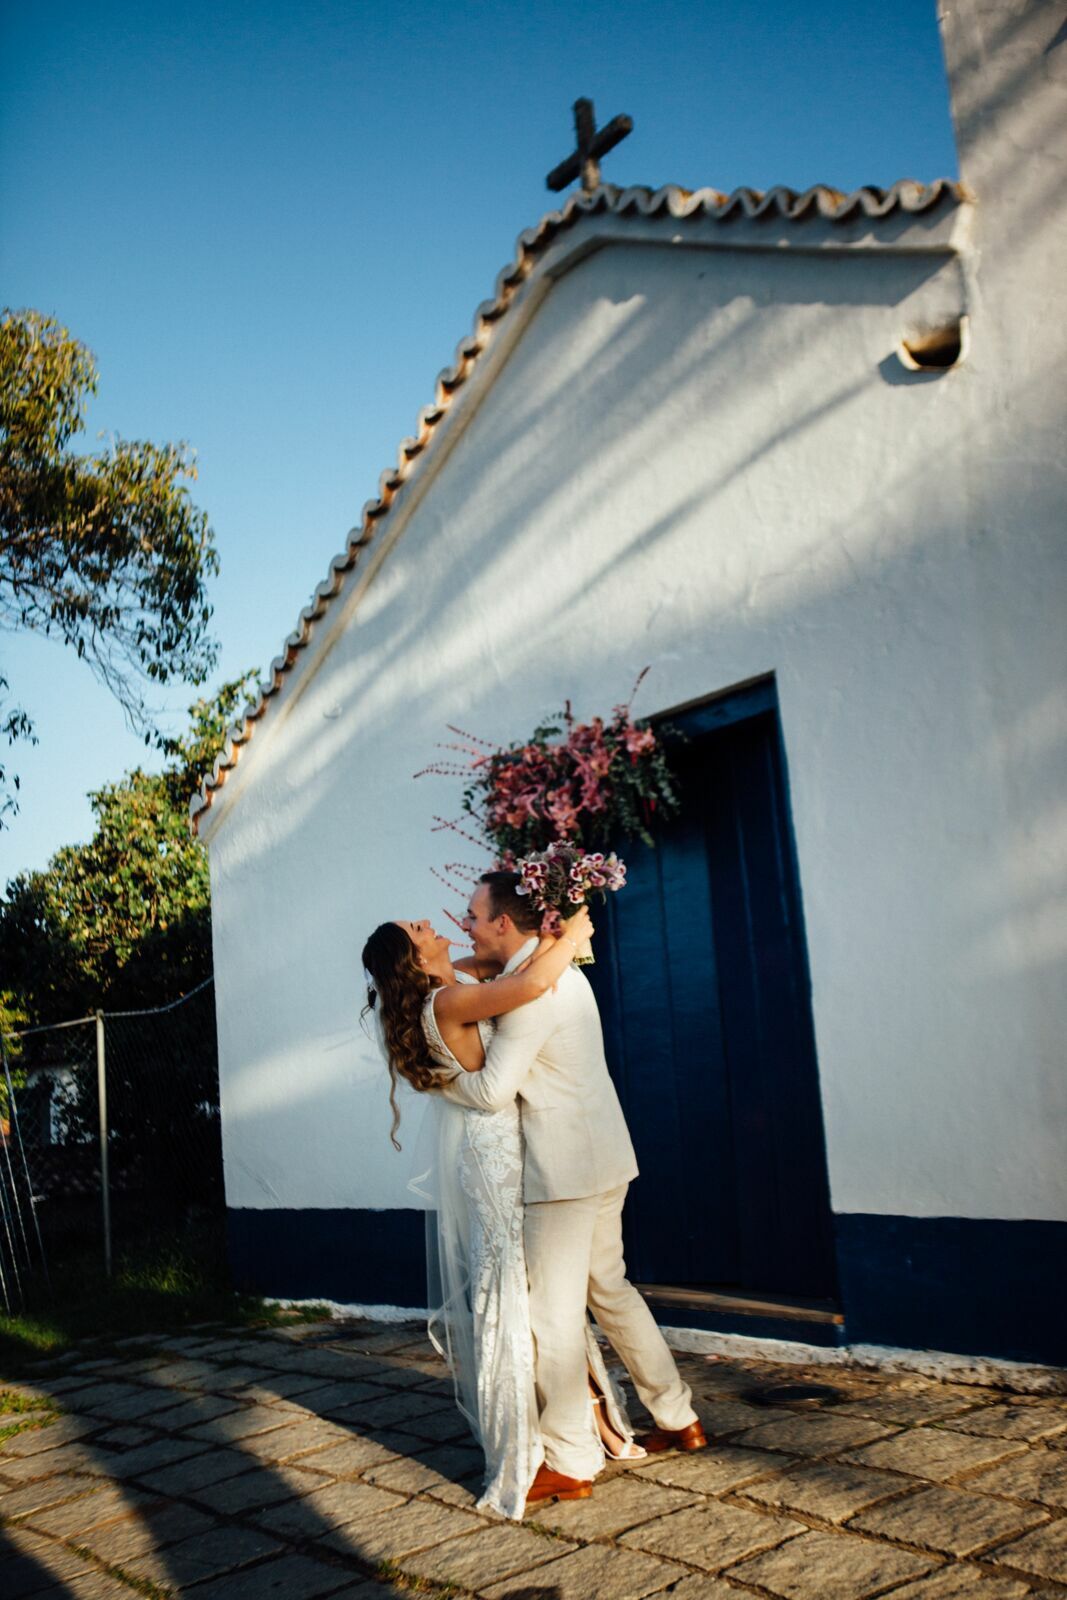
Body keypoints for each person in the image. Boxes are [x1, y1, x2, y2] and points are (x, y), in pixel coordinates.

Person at [362, 901, 641, 1519]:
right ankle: (525, 1453)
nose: (430, 925)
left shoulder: (446, 986)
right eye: (418, 930)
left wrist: (540, 933)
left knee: (531, 1292)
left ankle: (574, 1435)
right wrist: (577, 930)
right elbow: (534, 983)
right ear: (413, 958)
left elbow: (499, 962)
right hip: (498, 1160)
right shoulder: (449, 1003)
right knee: (514, 1296)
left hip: (505, 1153)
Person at [441, 870, 705, 1506]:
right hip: (606, 1155)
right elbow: (476, 973)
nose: (465, 926)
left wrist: (441, 1083)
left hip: (562, 1175)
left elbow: (493, 1090)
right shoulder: (557, 970)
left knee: (550, 1319)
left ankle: (572, 1461)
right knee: (609, 1291)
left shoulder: (532, 991)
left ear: (504, 922)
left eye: (474, 916)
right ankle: (678, 1418)